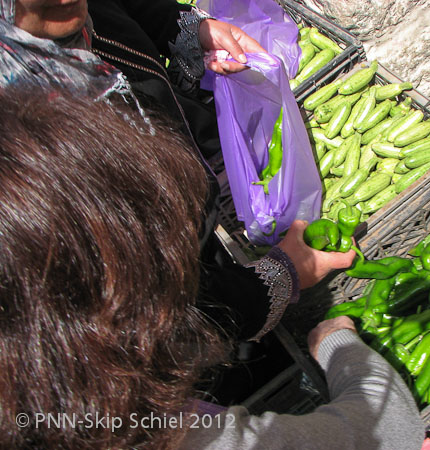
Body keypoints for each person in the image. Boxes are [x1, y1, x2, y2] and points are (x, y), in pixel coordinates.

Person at [0, 87, 426, 449]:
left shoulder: (43, 400)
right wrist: (337, 344)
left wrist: (279, 276)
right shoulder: (141, 432)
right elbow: (387, 432)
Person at [0, 0, 343, 348]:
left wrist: (193, 30)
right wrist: (277, 277)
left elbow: (132, 10)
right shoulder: (27, 164)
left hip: (187, 188)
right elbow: (153, 320)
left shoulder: (78, 14)